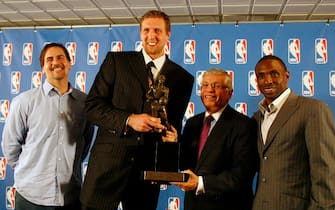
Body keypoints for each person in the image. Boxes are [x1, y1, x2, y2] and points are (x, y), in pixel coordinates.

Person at [80, 10, 194, 210]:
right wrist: (129, 119)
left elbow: (173, 125)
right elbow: (92, 107)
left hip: (147, 172)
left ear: (168, 34)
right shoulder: (117, 62)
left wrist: (172, 140)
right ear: (140, 33)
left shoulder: (182, 78)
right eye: (147, 30)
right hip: (107, 166)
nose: (152, 36)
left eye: (158, 30)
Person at [1, 42, 94, 210]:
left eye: (60, 57)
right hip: (31, 197)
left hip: (69, 198)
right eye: (49, 59)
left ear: (69, 63)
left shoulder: (84, 103)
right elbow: (10, 147)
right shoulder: (24, 102)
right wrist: (31, 171)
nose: (55, 62)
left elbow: (84, 145)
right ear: (43, 67)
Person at [252, 55, 335, 210]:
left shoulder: (312, 109)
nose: (268, 81)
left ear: (287, 76)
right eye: (261, 76)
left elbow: (325, 170)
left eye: (274, 74)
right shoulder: (256, 117)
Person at [171, 68, 258, 210]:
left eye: (216, 86)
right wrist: (173, 143)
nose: (209, 90)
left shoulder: (244, 125)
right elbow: (184, 164)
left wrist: (200, 183)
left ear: (229, 93)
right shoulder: (192, 122)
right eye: (205, 85)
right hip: (193, 205)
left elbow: (241, 176)